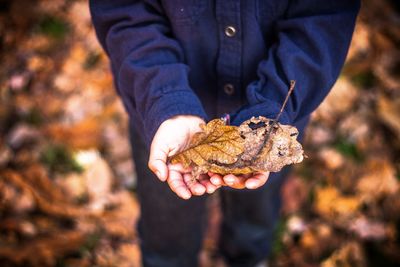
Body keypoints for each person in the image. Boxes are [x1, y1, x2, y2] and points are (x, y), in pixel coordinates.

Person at [89, 1, 360, 266]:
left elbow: (323, 19)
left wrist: (271, 113)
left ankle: (249, 257)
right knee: (167, 230)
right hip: (164, 120)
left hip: (273, 121)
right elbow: (125, 14)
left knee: (255, 216)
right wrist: (167, 103)